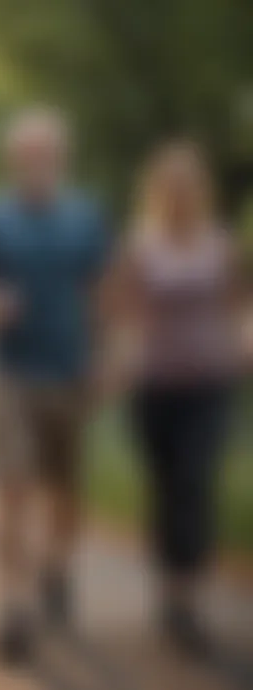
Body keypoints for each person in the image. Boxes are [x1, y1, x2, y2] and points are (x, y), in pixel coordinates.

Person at [0, 108, 110, 661]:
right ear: (12, 160)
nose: (37, 161)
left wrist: (105, 356)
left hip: (69, 371)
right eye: (27, 153)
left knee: (65, 491)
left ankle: (56, 567)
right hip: (8, 373)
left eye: (47, 153)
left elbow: (101, 294)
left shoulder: (87, 217)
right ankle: (14, 607)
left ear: (61, 158)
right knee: (11, 488)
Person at [104, 141, 243, 656]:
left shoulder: (220, 244)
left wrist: (246, 341)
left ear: (200, 190)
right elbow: (122, 313)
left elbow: (238, 307)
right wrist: (118, 363)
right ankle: (169, 590)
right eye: (171, 185)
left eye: (189, 184)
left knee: (195, 481)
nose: (181, 193)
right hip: (155, 385)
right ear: (158, 191)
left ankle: (189, 599)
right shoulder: (139, 247)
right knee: (165, 488)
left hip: (209, 381)